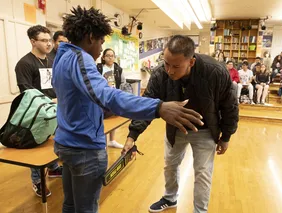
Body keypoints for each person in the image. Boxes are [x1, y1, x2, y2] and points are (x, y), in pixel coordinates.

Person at [52, 7, 203, 213]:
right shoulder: (81, 59)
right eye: (101, 41)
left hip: (66, 143)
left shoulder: (61, 57)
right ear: (89, 37)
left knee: (70, 205)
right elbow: (107, 96)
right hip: (84, 148)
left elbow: (78, 99)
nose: (101, 47)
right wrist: (158, 107)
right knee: (86, 209)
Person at [123, 35, 239, 213]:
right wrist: (132, 135)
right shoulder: (161, 73)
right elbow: (148, 104)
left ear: (191, 62)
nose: (169, 70)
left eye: (176, 66)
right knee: (170, 165)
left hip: (206, 129)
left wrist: (226, 136)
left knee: (202, 173)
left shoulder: (215, 71)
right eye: (166, 63)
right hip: (175, 128)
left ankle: (200, 211)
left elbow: (230, 105)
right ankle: (170, 198)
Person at [14, 25, 62, 197]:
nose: (49, 44)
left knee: (56, 141)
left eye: (49, 40)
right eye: (44, 40)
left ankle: (54, 168)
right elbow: (26, 92)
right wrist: (50, 100)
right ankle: (37, 181)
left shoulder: (51, 59)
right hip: (36, 113)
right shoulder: (24, 64)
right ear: (33, 41)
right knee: (37, 148)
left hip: (55, 109)